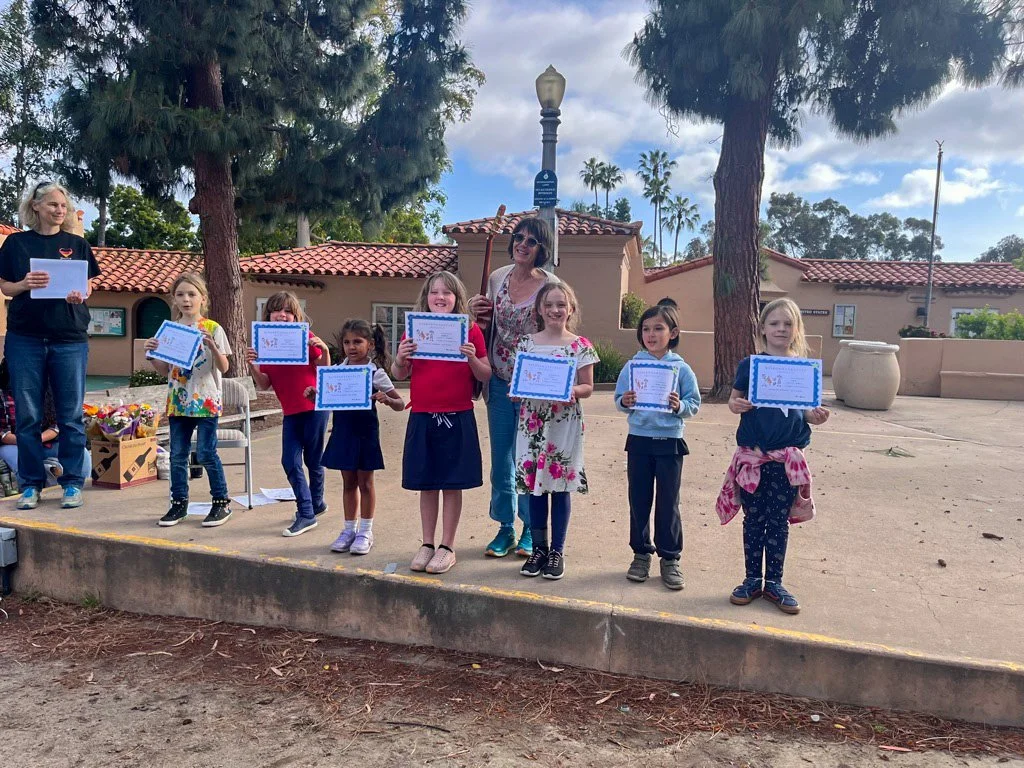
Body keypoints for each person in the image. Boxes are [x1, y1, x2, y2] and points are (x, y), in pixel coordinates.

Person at [718, 298, 830, 615]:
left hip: (786, 462)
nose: (781, 329)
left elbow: (804, 411)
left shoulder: (805, 369)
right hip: (753, 458)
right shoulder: (750, 366)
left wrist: (816, 416)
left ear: (796, 329)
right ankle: (752, 579)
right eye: (774, 323)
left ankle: (775, 583)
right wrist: (736, 405)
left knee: (779, 522)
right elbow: (734, 400)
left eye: (787, 323)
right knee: (754, 519)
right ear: (763, 328)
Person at [0, 181, 101, 510]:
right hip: (24, 338)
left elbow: (86, 287)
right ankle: (31, 485)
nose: (60, 210)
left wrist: (79, 294)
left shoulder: (77, 244)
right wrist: (24, 284)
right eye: (53, 204)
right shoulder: (16, 244)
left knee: (70, 415)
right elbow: (5, 288)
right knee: (28, 416)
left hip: (69, 338)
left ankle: (72, 483)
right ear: (36, 206)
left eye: (64, 205)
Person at [468, 216, 559, 559]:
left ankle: (527, 529)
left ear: (542, 248)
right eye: (518, 237)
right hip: (498, 380)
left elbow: (558, 326)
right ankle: (504, 527)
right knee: (500, 460)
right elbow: (486, 323)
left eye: (531, 240)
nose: (522, 243)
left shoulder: (551, 285)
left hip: (532, 389)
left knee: (528, 461)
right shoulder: (497, 277)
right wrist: (478, 312)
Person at [392, 271, 491, 574]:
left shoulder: (470, 330)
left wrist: (472, 358)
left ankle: (447, 545)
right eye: (435, 292)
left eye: (447, 293)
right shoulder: (415, 331)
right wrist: (400, 358)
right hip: (422, 414)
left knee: (451, 484)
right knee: (427, 483)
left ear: (456, 298)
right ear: (426, 297)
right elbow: (399, 374)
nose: (440, 297)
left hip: (457, 414)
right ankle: (427, 543)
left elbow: (485, 374)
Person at [513, 282, 598, 581]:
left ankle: (557, 551)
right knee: (535, 486)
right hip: (532, 422)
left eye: (561, 304)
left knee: (560, 486)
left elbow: (588, 387)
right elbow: (520, 379)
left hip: (564, 424)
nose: (555, 310)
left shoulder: (580, 345)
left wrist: (573, 389)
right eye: (548, 304)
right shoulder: (526, 343)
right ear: (539, 309)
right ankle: (539, 548)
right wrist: (517, 391)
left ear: (570, 309)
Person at [614, 303, 701, 590]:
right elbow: (619, 399)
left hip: (670, 442)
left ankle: (670, 558)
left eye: (659, 328)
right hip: (639, 441)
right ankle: (641, 553)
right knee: (639, 500)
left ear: (673, 332)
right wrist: (624, 402)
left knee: (668, 503)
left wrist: (680, 406)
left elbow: (694, 404)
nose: (651, 334)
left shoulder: (681, 369)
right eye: (646, 329)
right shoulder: (633, 366)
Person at [144, 272, 233, 528]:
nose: (186, 300)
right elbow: (165, 370)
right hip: (178, 400)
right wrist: (152, 354)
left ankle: (221, 502)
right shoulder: (170, 331)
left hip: (205, 400)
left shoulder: (213, 328)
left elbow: (224, 367)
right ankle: (178, 504)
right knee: (177, 455)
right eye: (180, 294)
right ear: (174, 299)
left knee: (206, 452)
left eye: (192, 294)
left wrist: (214, 347)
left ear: (202, 298)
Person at [312, 319, 404, 556]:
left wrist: (387, 398)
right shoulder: (337, 372)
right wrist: (314, 393)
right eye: (346, 342)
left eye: (357, 342)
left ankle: (365, 531)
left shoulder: (376, 373)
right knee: (348, 483)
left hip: (365, 433)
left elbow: (400, 403)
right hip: (343, 432)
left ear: (370, 344)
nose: (351, 347)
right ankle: (348, 529)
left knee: (366, 483)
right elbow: (326, 398)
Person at [245, 291, 332, 537]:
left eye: (288, 311)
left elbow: (324, 369)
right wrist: (252, 365)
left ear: (296, 316)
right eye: (276, 310)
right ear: (268, 315)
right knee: (290, 461)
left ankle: (313, 506)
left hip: (315, 407)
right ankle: (309, 510)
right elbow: (264, 384)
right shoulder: (265, 343)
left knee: (313, 462)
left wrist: (324, 349)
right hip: (291, 411)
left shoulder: (307, 338)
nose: (282, 315)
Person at [0, 358, 81, 489]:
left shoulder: (48, 391)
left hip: (45, 441)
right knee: (23, 462)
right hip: (13, 443)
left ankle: (74, 489)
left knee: (81, 454)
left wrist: (38, 439)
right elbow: (2, 432)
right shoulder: (2, 394)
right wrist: (25, 441)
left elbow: (56, 425)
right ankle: (30, 491)